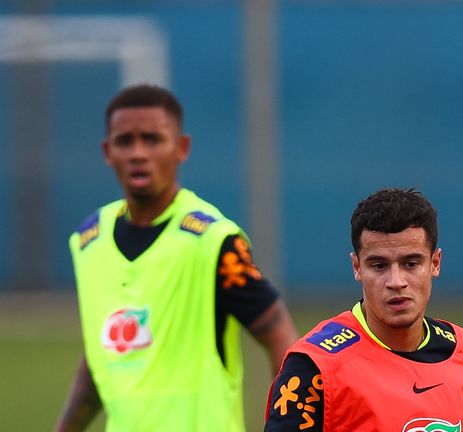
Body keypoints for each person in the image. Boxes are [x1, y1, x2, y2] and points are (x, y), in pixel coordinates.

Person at [54, 84, 298, 432]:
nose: (138, 153)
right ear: (108, 152)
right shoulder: (88, 241)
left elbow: (279, 334)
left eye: (152, 139)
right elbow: (101, 356)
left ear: (181, 148)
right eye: (125, 141)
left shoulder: (212, 240)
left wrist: (287, 424)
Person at [264, 187, 463, 431]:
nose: (396, 281)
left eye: (411, 264)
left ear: (435, 263)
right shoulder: (315, 369)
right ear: (357, 267)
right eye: (379, 265)